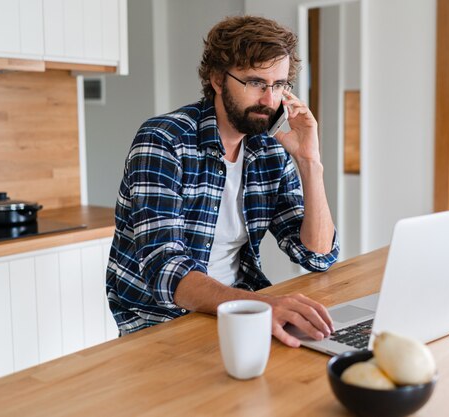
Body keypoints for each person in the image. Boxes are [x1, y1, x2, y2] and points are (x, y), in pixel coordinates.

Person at [106, 15, 339, 347]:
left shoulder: (268, 149)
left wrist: (309, 161)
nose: (270, 101)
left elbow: (317, 255)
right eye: (256, 83)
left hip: (237, 314)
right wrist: (260, 305)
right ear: (217, 78)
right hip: (158, 325)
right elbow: (165, 269)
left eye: (280, 85)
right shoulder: (163, 141)